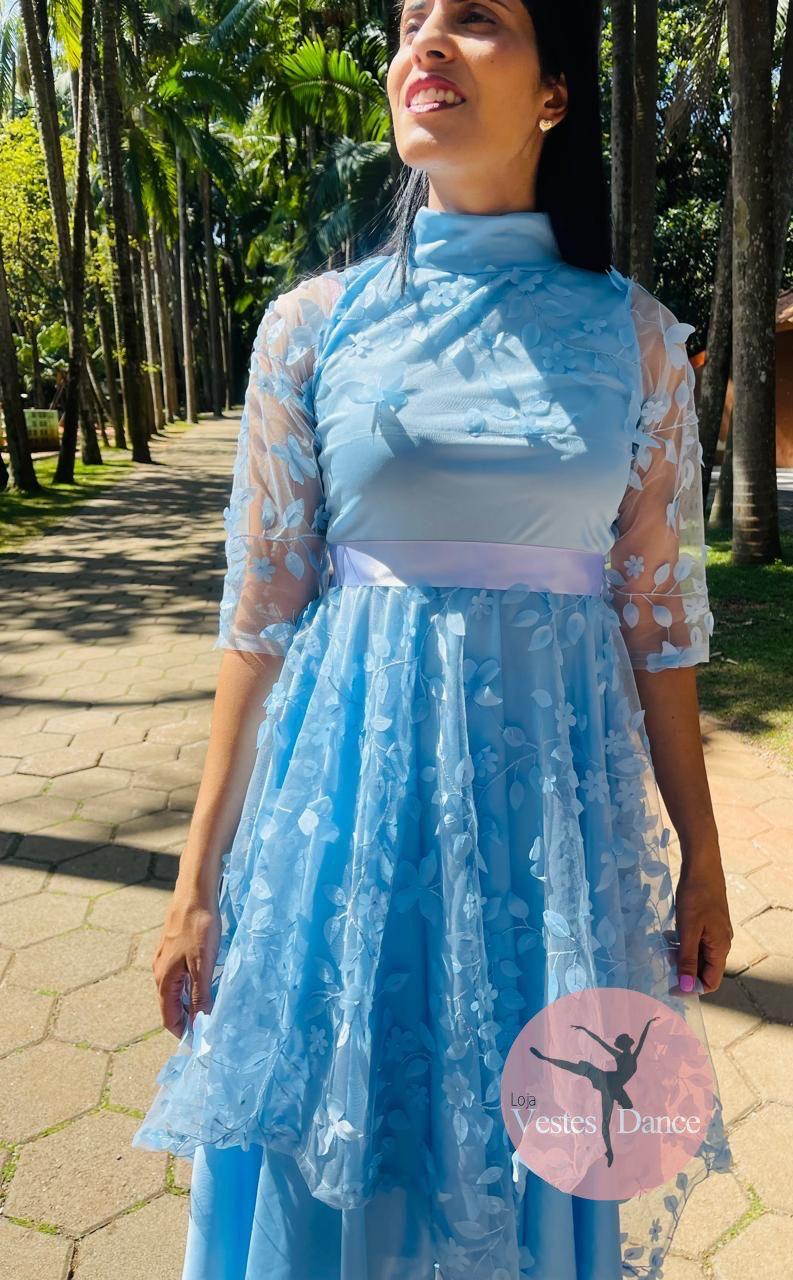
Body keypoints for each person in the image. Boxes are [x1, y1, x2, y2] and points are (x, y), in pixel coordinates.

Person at [131, 1, 735, 1276]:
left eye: (474, 17)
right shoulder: (314, 325)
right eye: (410, 22)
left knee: (543, 1144)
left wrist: (700, 852)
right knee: (334, 1146)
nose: (426, 44)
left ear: (554, 91)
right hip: (343, 829)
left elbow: (656, 618)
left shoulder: (635, 338)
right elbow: (260, 611)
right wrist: (196, 882)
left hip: (551, 846)